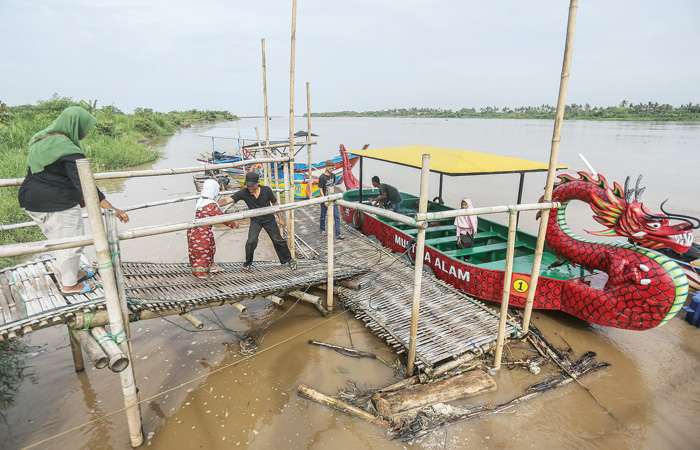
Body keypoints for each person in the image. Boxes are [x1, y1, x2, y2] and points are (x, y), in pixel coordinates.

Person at [18, 106, 129, 296]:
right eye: (85, 128)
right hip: (57, 204)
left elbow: (53, 174)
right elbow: (85, 184)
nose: (86, 132)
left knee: (58, 241)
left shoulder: (41, 139)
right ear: (75, 126)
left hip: (31, 200)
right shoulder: (69, 150)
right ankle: (69, 285)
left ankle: (75, 273)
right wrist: (112, 208)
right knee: (72, 244)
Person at [219, 172, 296, 271]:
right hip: (256, 220)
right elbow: (228, 200)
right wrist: (213, 204)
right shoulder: (244, 192)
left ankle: (289, 260)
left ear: (257, 183)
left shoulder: (266, 190)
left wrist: (280, 219)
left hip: (269, 219)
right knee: (251, 241)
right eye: (247, 185)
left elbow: (275, 204)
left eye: (251, 185)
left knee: (278, 240)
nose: (249, 187)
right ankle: (247, 263)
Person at [188, 179, 239, 279]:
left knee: (208, 249)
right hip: (203, 233)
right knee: (204, 252)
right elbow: (222, 218)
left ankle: (211, 266)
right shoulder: (211, 205)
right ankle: (202, 274)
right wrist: (234, 224)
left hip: (194, 231)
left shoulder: (200, 201)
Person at [318, 160, 345, 239]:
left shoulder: (333, 176)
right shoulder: (322, 177)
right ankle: (322, 229)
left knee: (336, 216)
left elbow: (333, 186)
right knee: (323, 215)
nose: (331, 168)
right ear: (326, 167)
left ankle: (338, 234)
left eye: (332, 167)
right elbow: (320, 189)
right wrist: (324, 200)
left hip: (332, 199)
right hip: (325, 198)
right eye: (330, 167)